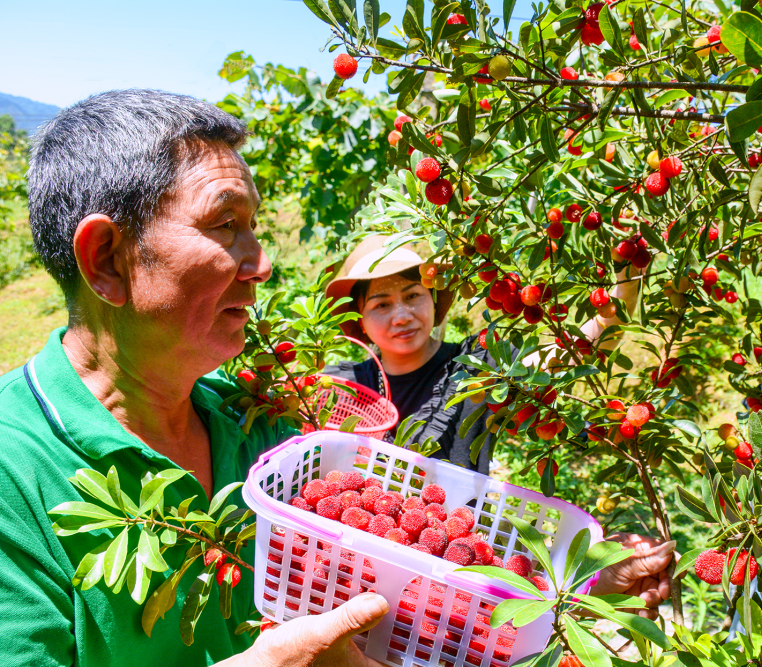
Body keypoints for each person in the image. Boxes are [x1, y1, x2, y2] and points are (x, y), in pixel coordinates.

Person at [0, 89, 674, 666]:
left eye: (255, 226)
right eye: (225, 224)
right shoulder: (15, 471)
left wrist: (568, 589)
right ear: (107, 259)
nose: (262, 262)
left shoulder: (263, 424)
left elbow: (406, 576)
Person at [322, 235, 644, 473]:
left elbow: (578, 352)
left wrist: (625, 288)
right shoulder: (343, 388)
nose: (402, 316)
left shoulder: (479, 365)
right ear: (360, 320)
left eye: (412, 296)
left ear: (432, 298)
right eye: (381, 305)